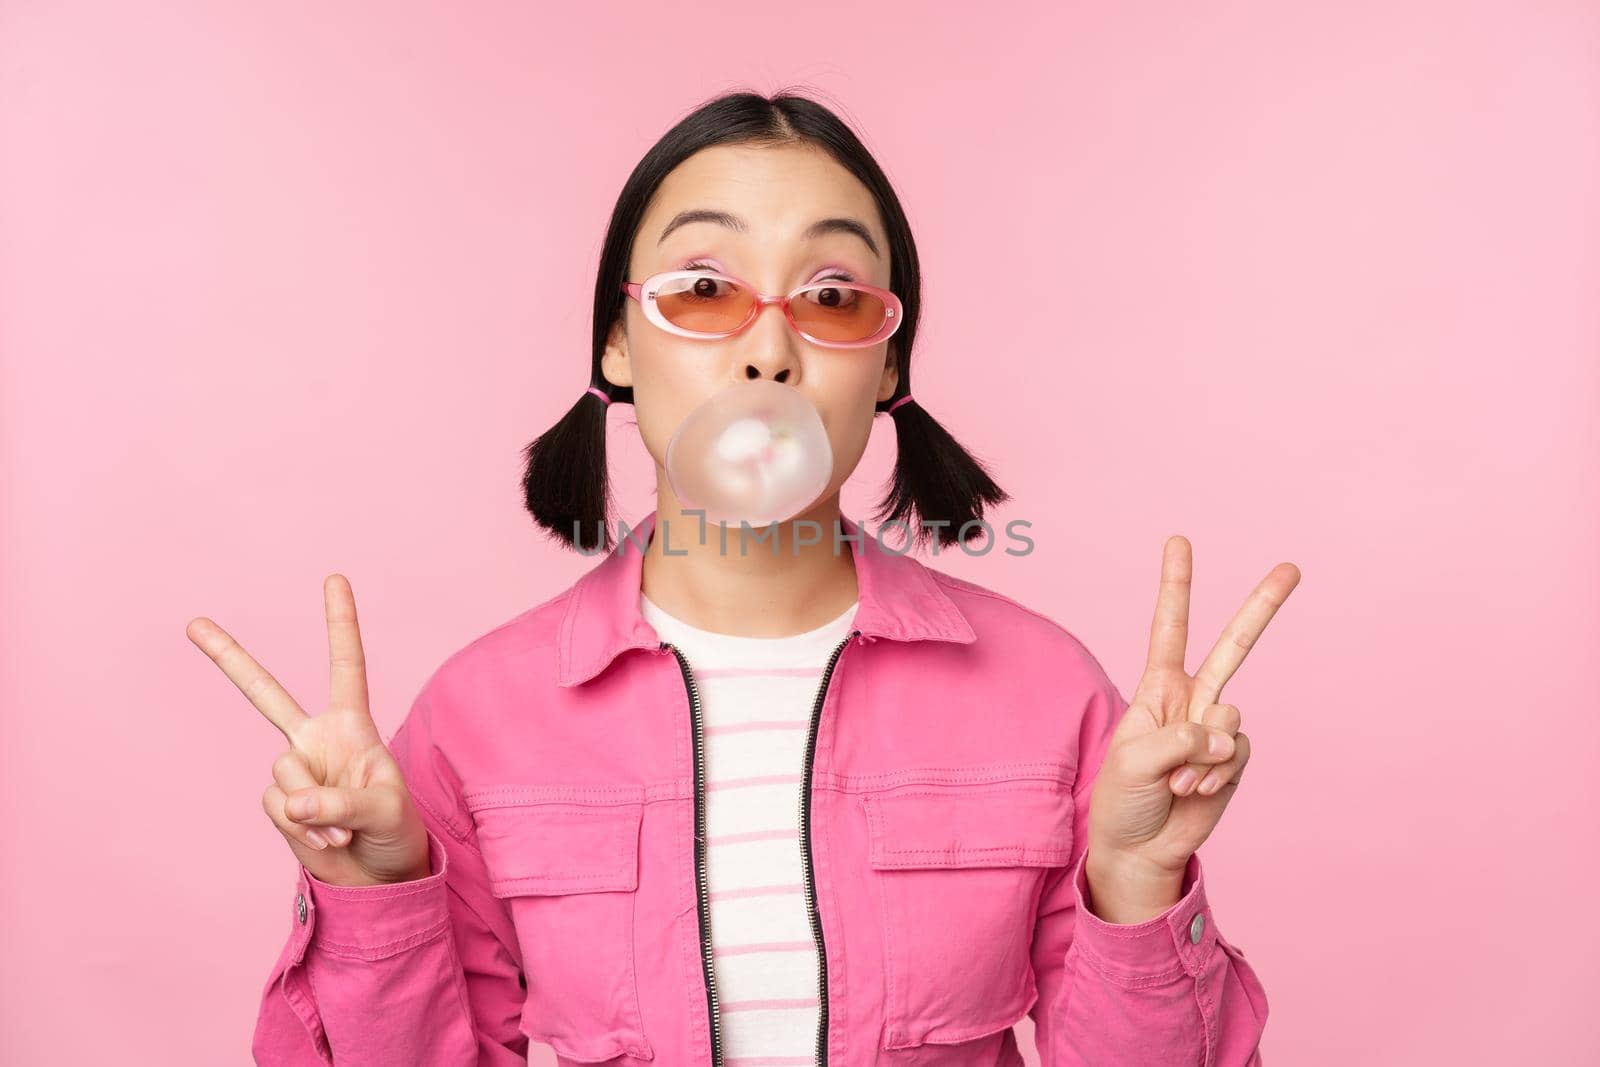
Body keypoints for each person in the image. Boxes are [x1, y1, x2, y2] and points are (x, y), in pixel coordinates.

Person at [189, 89, 1297, 1066]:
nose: (769, 351)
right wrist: (374, 897)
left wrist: (1140, 877)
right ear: (617, 343)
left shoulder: (1050, 692)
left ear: (889, 361)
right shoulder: (475, 718)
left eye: (831, 296)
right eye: (705, 286)